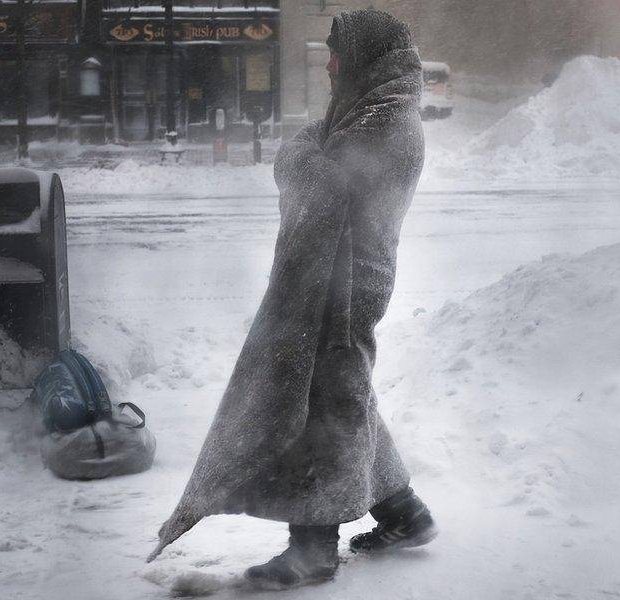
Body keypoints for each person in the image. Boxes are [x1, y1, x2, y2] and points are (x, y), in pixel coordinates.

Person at [148, 9, 436, 591]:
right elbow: (326, 161)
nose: (329, 64)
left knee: (329, 402)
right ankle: (404, 513)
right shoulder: (367, 105)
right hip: (337, 275)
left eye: (336, 53)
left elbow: (327, 183)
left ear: (364, 57)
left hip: (347, 282)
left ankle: (312, 549)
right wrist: (310, 149)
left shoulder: (383, 118)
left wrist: (295, 155)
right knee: (344, 392)